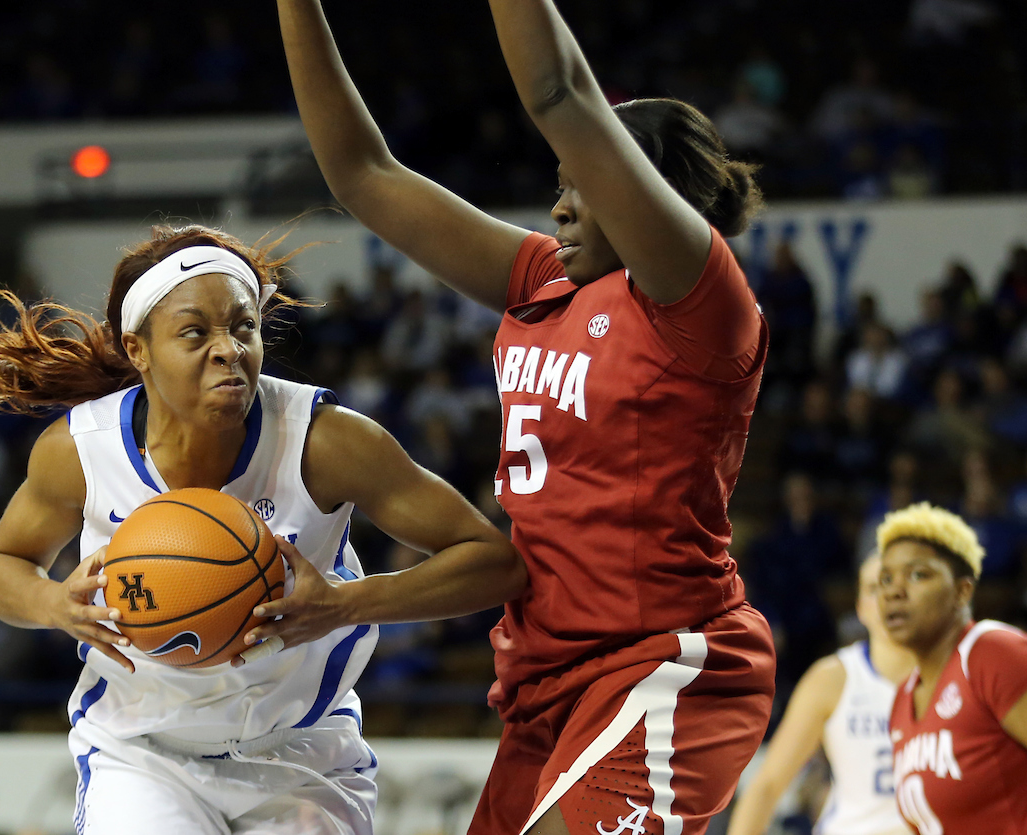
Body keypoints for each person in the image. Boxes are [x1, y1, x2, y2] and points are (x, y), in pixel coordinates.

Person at [272, 1, 777, 833]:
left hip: (664, 660)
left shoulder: (699, 300)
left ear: (652, 197)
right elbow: (363, 175)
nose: (561, 209)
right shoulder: (544, 279)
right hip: (544, 675)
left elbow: (558, 91)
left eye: (583, 184)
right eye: (560, 189)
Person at [0, 224, 525, 835]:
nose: (228, 349)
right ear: (138, 350)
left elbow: (492, 561)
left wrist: (346, 604)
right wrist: (52, 602)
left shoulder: (326, 441)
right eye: (195, 332)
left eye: (244, 327)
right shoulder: (81, 450)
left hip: (302, 755)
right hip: (144, 754)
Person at [725, 555, 915, 835]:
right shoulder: (833, 678)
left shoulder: (960, 673)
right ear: (860, 607)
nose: (889, 598)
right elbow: (767, 785)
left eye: (900, 587)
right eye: (876, 588)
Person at [876, 502, 1027, 834]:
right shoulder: (902, 699)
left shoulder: (992, 652)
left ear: (963, 591)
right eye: (885, 578)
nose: (894, 591)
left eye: (919, 574)